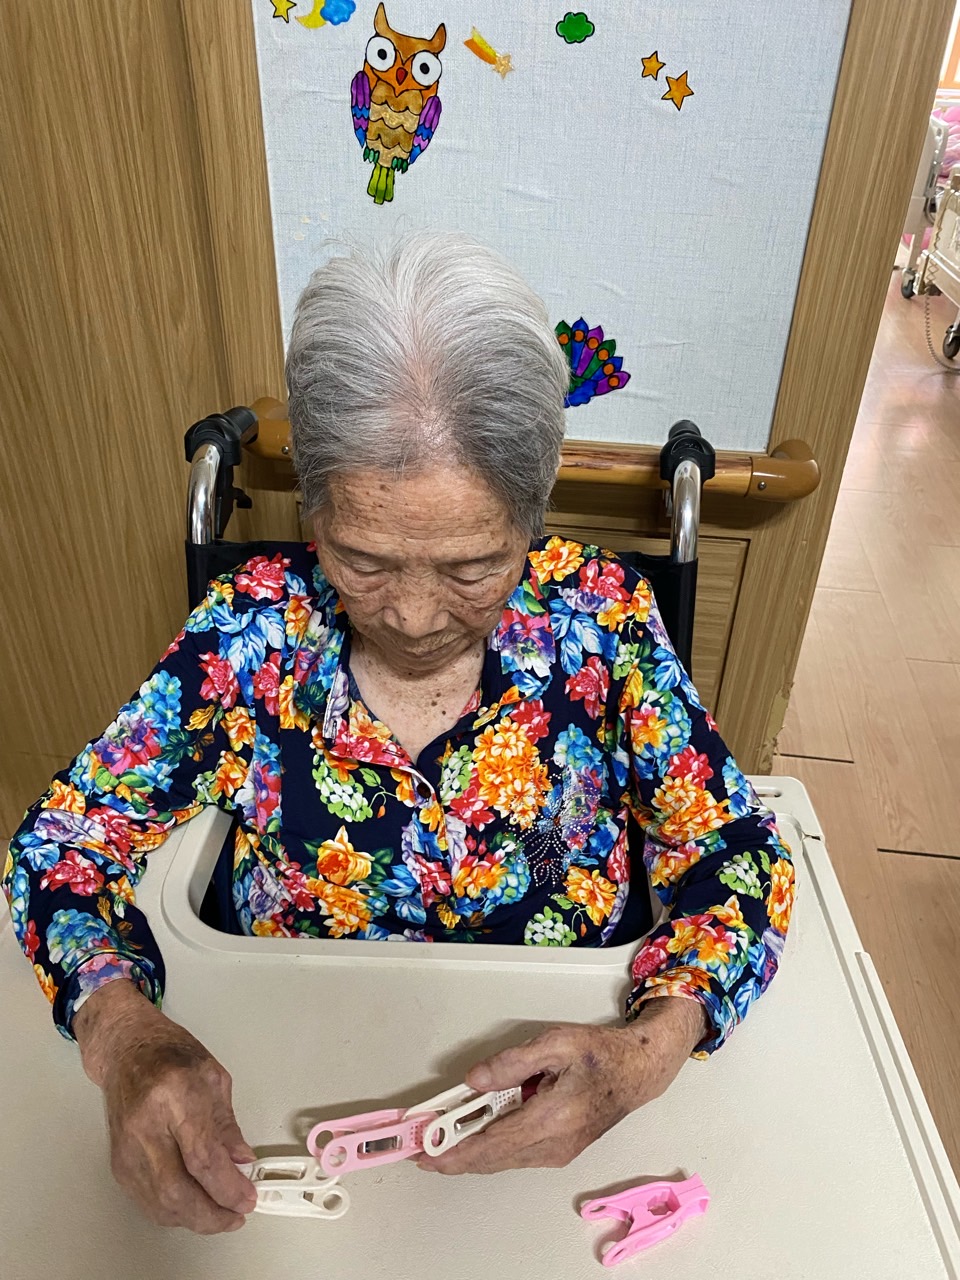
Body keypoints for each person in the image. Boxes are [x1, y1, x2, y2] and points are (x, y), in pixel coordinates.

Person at [2, 232, 794, 1234]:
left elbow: (737, 853)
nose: (415, 618)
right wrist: (123, 1034)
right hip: (289, 1107)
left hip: (562, 1135)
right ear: (316, 512)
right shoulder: (253, 630)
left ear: (531, 520)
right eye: (365, 559)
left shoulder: (604, 622)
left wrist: (647, 1053)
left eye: (472, 567)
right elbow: (61, 845)